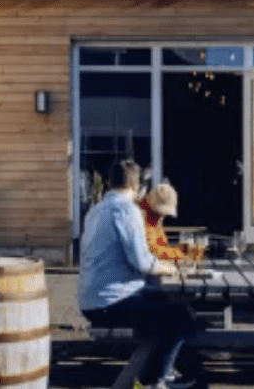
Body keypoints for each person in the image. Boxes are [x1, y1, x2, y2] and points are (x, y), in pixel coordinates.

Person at [78, 161, 198, 389]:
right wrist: (170, 268)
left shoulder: (95, 209)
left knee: (169, 306)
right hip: (110, 301)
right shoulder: (127, 210)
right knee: (180, 319)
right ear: (135, 184)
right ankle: (157, 381)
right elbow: (142, 262)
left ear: (109, 182)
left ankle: (163, 371)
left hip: (90, 299)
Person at [140, 183, 185, 262]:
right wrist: (180, 253)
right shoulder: (141, 216)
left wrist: (179, 248)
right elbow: (151, 250)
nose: (165, 216)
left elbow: (162, 243)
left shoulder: (154, 216)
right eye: (164, 212)